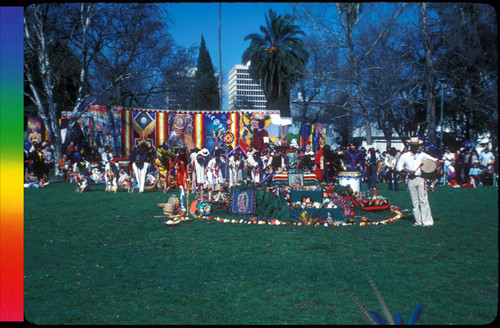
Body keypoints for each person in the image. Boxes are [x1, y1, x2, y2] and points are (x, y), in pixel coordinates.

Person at [397, 137, 440, 227]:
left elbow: (435, 161)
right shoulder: (404, 156)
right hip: (411, 179)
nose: (415, 147)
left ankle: (427, 222)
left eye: (417, 146)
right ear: (410, 145)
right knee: (414, 202)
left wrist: (435, 167)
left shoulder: (422, 155)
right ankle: (418, 221)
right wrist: (408, 171)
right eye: (414, 145)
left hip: (421, 178)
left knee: (424, 200)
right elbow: (399, 167)